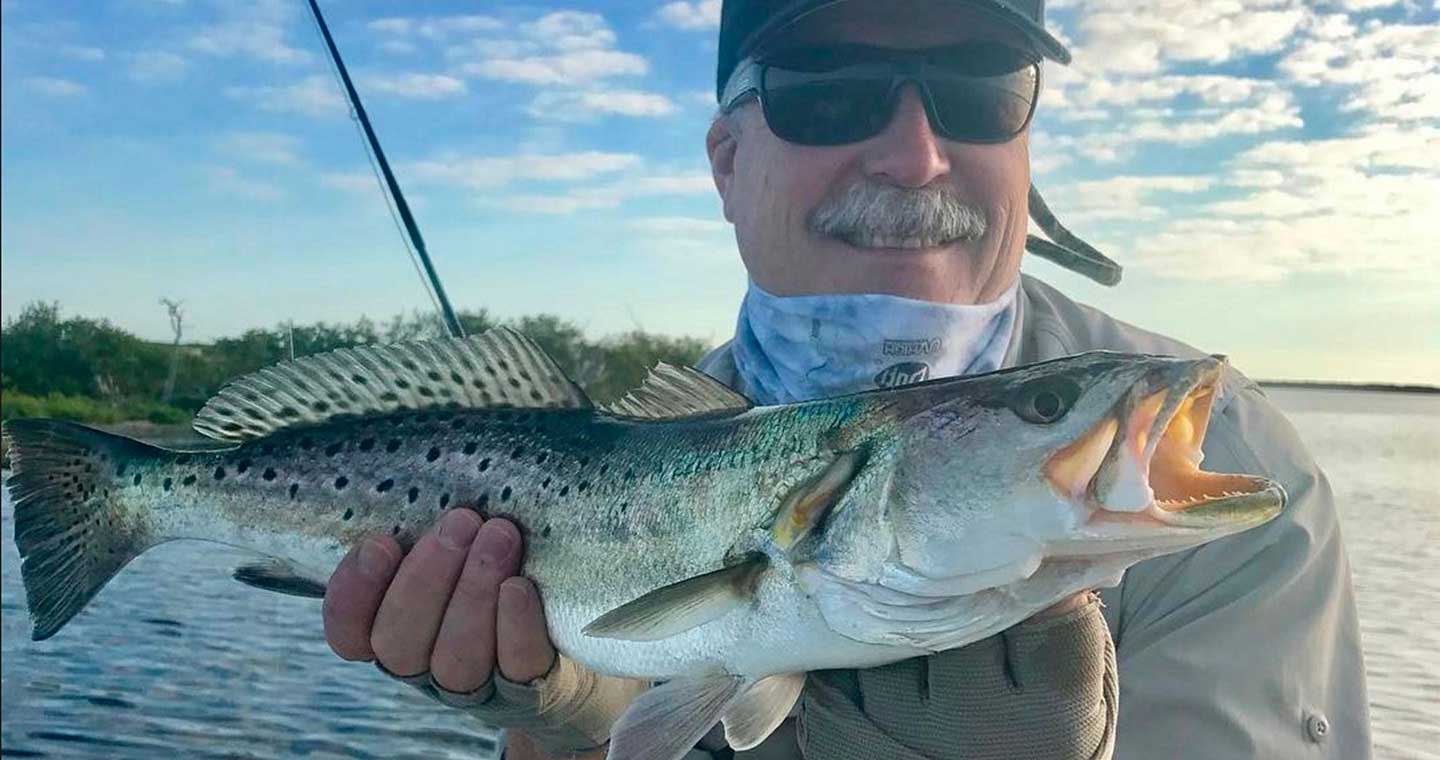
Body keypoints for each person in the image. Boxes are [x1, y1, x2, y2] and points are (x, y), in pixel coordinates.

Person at [321, 1, 1372, 758]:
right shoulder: (625, 449)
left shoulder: (1231, 468)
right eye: (830, 94)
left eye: (977, 91)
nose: (914, 157)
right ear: (728, 164)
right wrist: (565, 728)